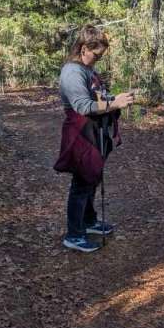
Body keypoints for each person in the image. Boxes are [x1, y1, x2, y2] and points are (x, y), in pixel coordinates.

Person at [53, 25, 135, 252]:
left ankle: (88, 221)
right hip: (81, 133)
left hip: (94, 131)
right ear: (83, 49)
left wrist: (115, 98)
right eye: (96, 54)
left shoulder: (87, 69)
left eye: (101, 55)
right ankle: (74, 234)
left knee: (92, 177)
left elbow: (97, 97)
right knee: (82, 182)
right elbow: (82, 106)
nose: (99, 59)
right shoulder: (72, 72)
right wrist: (114, 104)